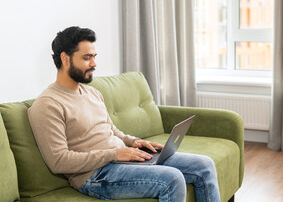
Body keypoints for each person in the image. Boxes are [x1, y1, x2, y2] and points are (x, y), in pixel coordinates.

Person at [28, 26, 221, 202]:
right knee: (172, 179)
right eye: (87, 57)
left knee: (204, 165)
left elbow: (111, 130)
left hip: (121, 160)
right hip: (94, 175)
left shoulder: (92, 93)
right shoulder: (48, 104)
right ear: (65, 58)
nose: (94, 63)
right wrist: (114, 154)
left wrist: (133, 142)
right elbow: (59, 161)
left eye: (95, 56)